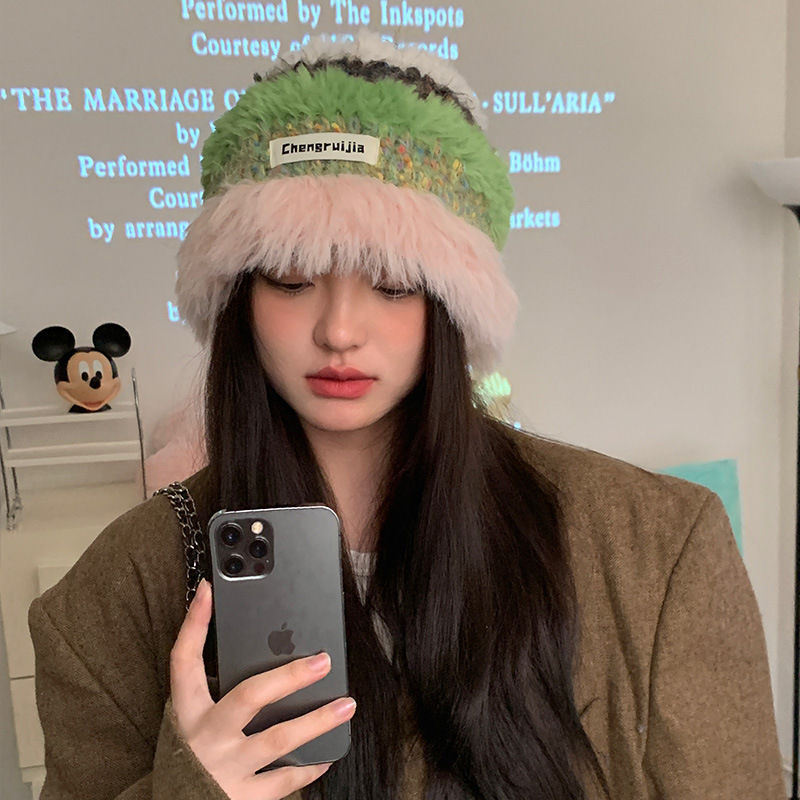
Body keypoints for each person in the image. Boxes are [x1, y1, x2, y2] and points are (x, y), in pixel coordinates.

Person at [28, 32, 786, 800]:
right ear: (237, 299)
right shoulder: (115, 595)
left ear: (452, 305)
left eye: (392, 282)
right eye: (291, 277)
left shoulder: (655, 549)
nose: (339, 330)